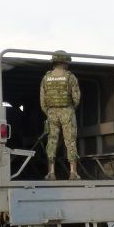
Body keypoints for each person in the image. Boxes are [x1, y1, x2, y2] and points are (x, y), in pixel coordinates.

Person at [40, 50, 82, 180]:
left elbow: (42, 101)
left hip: (52, 113)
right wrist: (70, 109)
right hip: (67, 112)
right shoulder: (70, 77)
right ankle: (73, 172)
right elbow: (76, 98)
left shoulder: (46, 78)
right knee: (70, 141)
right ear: (64, 62)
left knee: (52, 141)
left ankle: (51, 173)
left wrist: (49, 112)